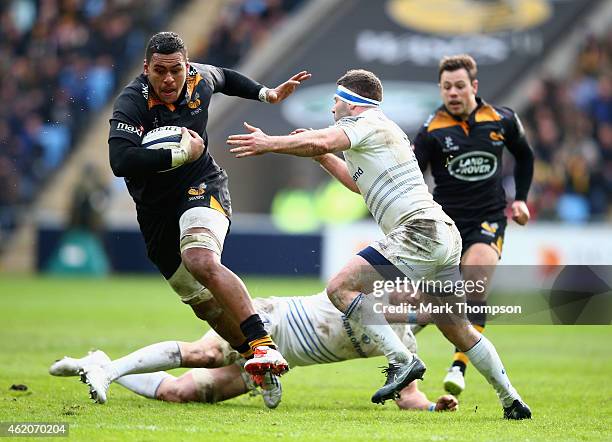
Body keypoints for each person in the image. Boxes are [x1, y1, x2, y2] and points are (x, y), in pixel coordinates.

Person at [226, 69, 531, 419]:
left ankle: (402, 359)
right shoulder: (377, 131)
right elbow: (359, 184)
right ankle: (511, 400)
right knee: (457, 328)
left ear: (353, 103)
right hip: (442, 234)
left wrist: (269, 143)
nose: (332, 108)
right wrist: (320, 157)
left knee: (340, 288)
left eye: (336, 101)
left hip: (420, 230)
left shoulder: (366, 122)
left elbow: (323, 139)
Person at [94, 31, 311, 404]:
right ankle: (253, 362)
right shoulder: (132, 101)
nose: (168, 80)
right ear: (146, 69)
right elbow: (121, 161)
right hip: (154, 210)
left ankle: (263, 345)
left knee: (200, 259)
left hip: (202, 186)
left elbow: (226, 77)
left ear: (186, 66)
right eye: (159, 71)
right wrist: (177, 155)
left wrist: (266, 94)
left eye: (175, 70)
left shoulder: (200, 78)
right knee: (204, 304)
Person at [49, 292, 458, 412]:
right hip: (270, 321)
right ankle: (110, 369)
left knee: (182, 393)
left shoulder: (405, 347)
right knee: (205, 354)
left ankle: (100, 364)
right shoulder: (368, 288)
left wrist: (432, 409)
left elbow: (409, 397)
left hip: (277, 364)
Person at [413, 54, 534, 396]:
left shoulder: (502, 119)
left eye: (459, 86)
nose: (453, 92)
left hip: (487, 220)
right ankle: (399, 359)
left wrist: (521, 198)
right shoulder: (431, 130)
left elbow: (525, 155)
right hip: (445, 226)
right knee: (424, 308)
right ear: (441, 89)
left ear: (474, 87)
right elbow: (412, 177)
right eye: (446, 87)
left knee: (477, 275)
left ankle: (459, 365)